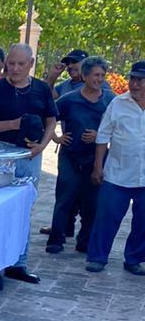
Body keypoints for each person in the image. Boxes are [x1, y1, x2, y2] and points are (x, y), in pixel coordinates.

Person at [0, 43, 57, 283]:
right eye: (11, 63)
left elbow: (51, 120)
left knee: (23, 210)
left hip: (30, 155)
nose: (15, 68)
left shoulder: (41, 89)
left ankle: (19, 263)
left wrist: (43, 145)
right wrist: (12, 124)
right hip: (0, 154)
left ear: (31, 64)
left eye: (21, 64)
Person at [46, 57, 112, 256]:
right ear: (85, 76)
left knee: (92, 202)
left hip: (96, 157)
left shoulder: (110, 100)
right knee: (65, 198)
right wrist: (56, 138)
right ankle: (56, 239)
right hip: (70, 156)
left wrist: (99, 136)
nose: (99, 79)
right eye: (95, 75)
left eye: (102, 75)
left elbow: (119, 128)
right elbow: (49, 117)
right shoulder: (70, 99)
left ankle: (85, 242)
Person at [86, 61, 145, 275]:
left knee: (143, 222)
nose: (135, 84)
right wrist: (97, 167)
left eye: (140, 80)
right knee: (106, 217)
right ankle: (98, 257)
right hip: (117, 174)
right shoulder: (118, 103)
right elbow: (103, 136)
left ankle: (134, 259)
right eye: (133, 79)